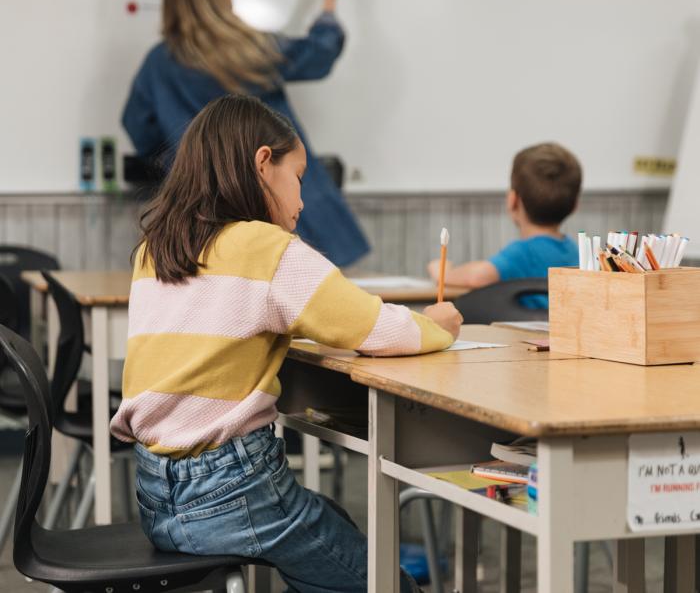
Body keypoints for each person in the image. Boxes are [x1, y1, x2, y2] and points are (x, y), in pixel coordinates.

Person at [110, 94, 463, 593]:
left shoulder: (156, 249)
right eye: (299, 178)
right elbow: (375, 329)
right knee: (384, 582)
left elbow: (227, 320)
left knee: (332, 522)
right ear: (262, 164)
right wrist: (438, 326)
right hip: (233, 493)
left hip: (154, 495)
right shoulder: (267, 249)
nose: (301, 201)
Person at [122, 0, 368, 268]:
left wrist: (185, 159)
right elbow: (320, 53)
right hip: (289, 213)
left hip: (207, 221)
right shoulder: (250, 49)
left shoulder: (158, 64)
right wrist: (329, 3)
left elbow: (138, 128)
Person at [428, 142, 581, 308]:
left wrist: (443, 273)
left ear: (512, 200)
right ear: (575, 206)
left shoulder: (522, 253)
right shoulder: (574, 251)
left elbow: (476, 277)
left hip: (526, 334)